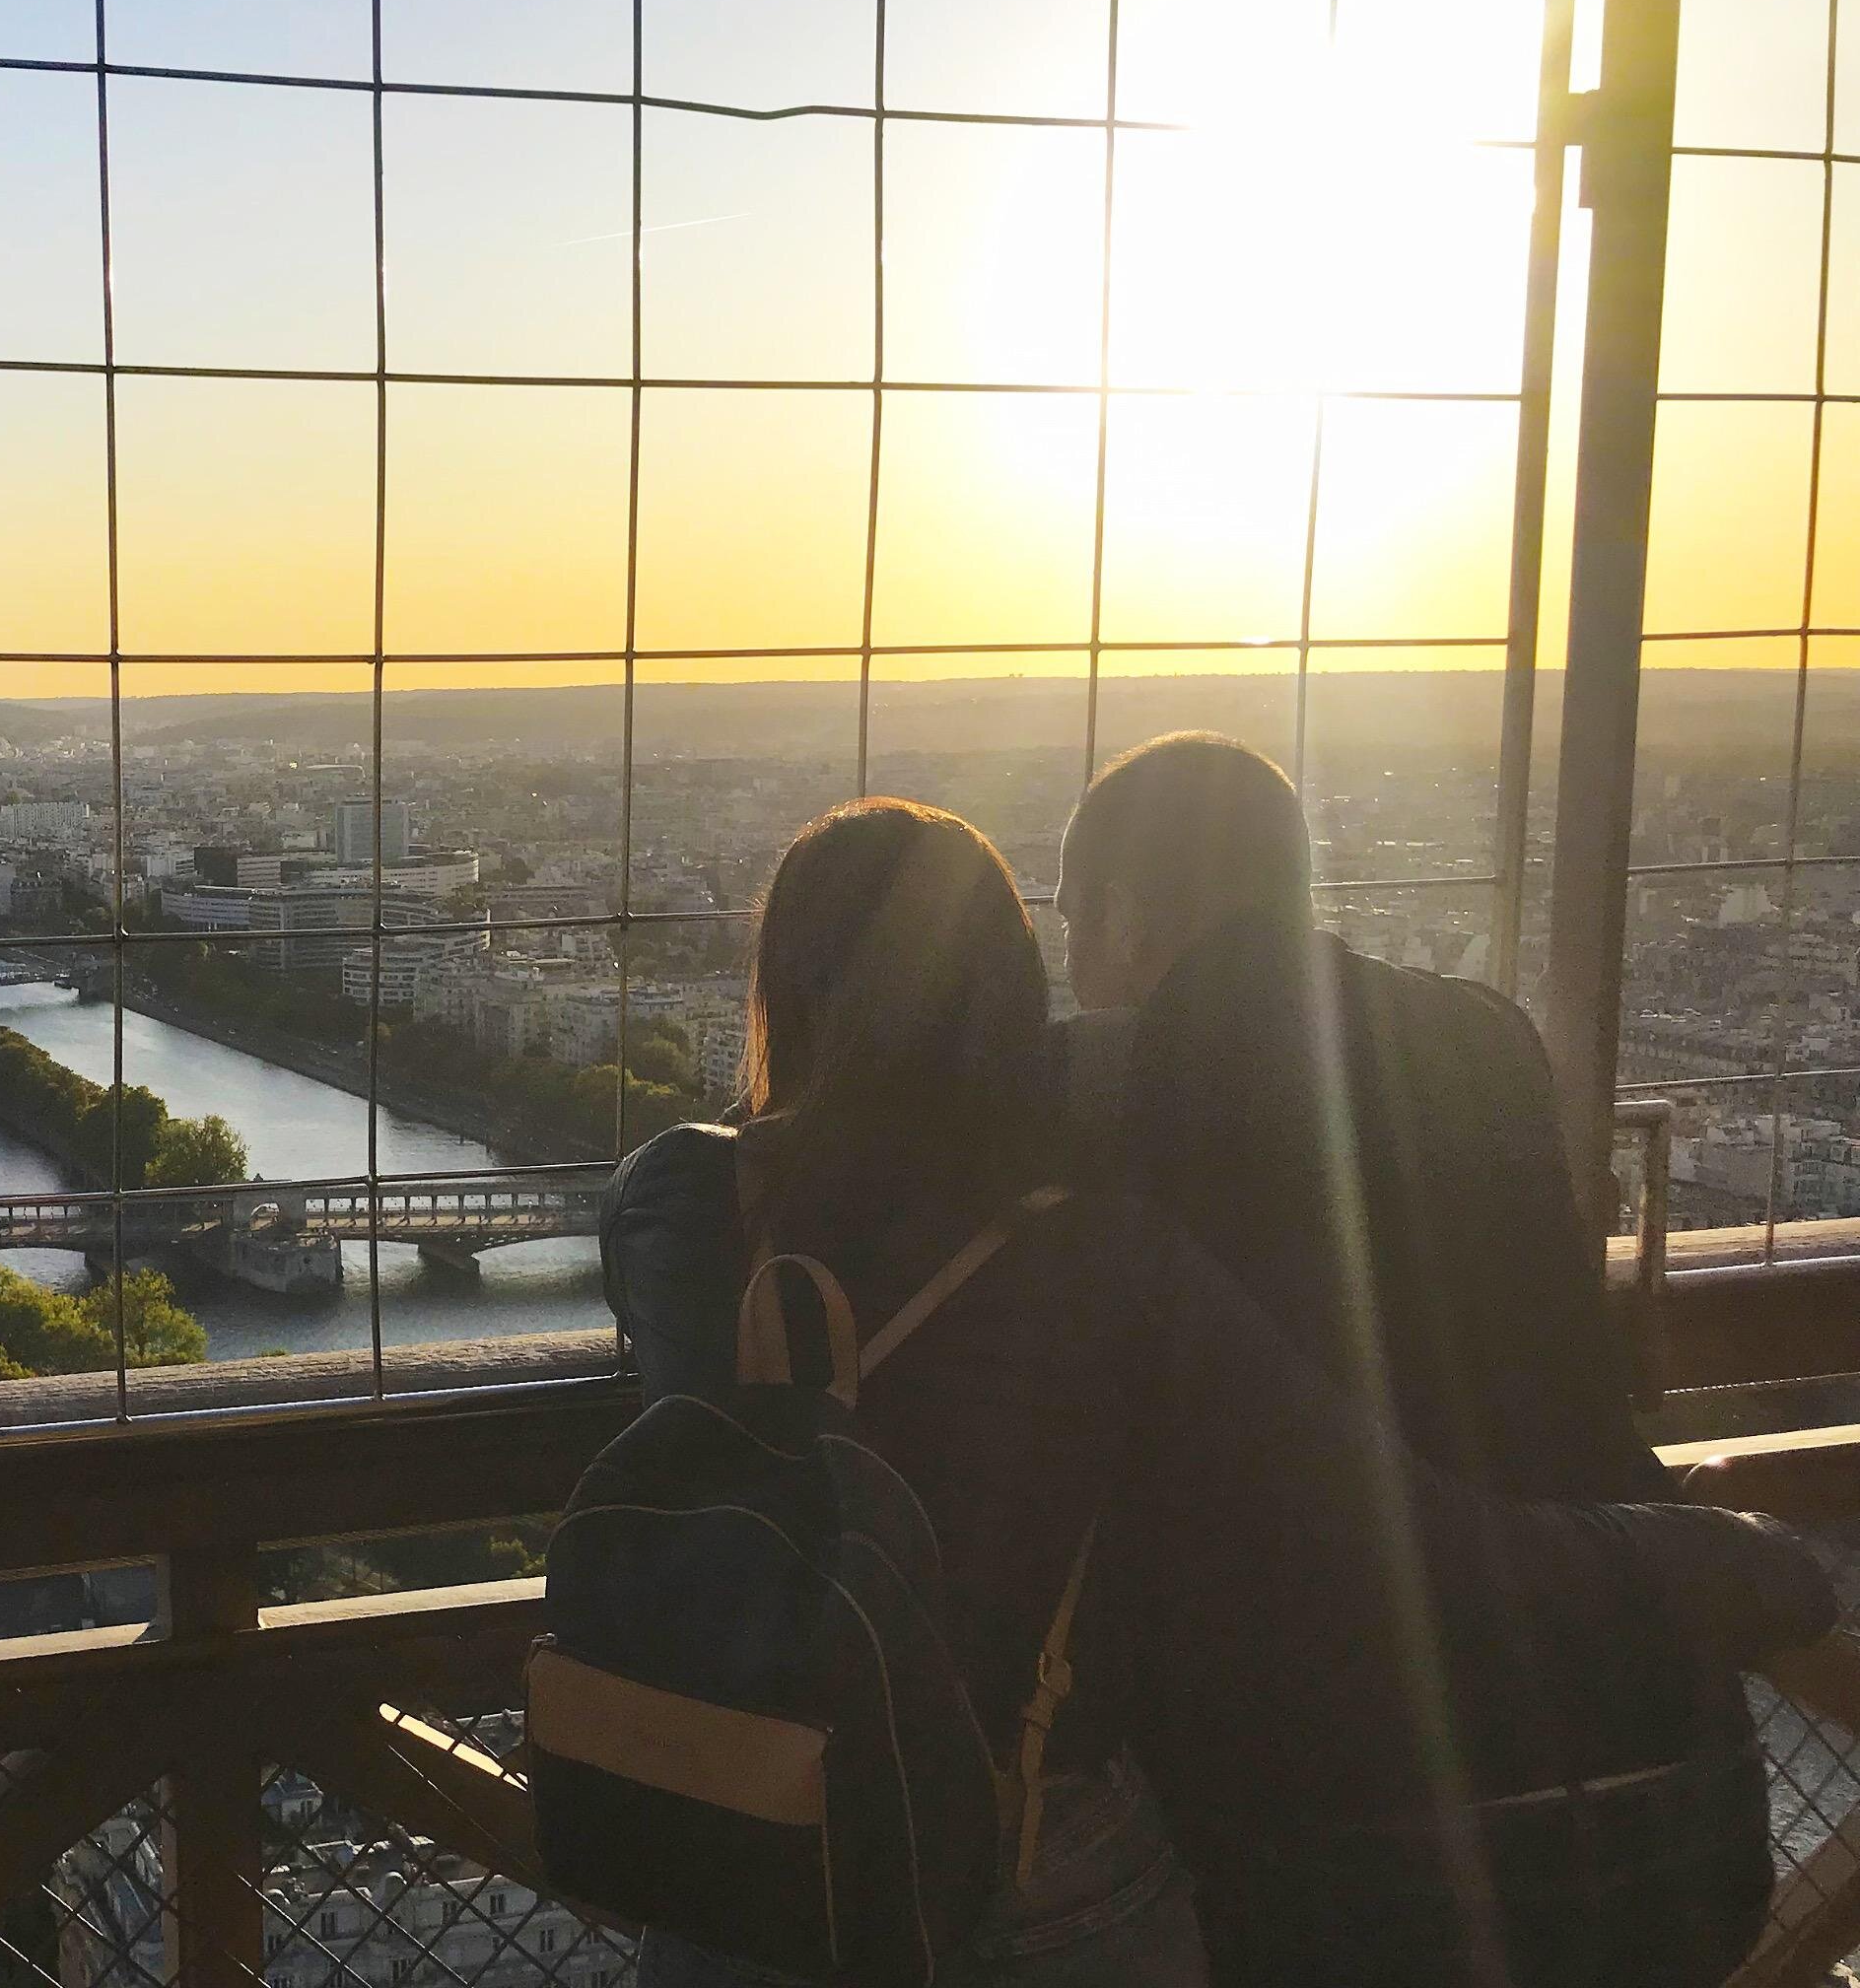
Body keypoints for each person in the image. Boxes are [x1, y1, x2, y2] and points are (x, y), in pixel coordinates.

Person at [601, 799, 1835, 1988]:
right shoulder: (1099, 1262)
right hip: (1018, 1858)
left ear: (784, 984)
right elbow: (1410, 1543)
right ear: (1010, 993)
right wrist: (1730, 1559)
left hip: (750, 1838)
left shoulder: (676, 1207)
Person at [1057, 733, 1760, 1980]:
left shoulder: (1117, 1084)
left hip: (1349, 1822)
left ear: (1120, 912)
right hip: (1657, 1766)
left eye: (1071, 927)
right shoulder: (1488, 1039)